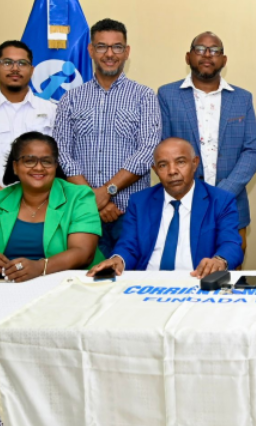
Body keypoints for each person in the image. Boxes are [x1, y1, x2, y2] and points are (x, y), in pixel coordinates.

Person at [54, 19, 161, 258]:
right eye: (102, 46)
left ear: (127, 51)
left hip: (131, 211)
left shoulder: (144, 96)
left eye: (117, 47)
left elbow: (148, 150)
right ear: (91, 50)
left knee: (132, 274)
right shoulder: (70, 99)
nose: (110, 54)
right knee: (85, 276)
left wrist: (107, 191)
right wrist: (92, 198)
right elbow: (61, 153)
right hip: (82, 212)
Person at [158, 32, 256, 253]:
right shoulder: (167, 95)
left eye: (214, 50)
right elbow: (162, 150)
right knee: (185, 263)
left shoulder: (242, 98)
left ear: (224, 60)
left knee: (231, 263)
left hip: (231, 201)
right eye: (200, 49)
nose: (207, 55)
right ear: (188, 57)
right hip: (183, 200)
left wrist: (224, 192)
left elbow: (252, 150)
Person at [86, 138, 242, 277]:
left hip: (197, 281)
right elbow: (128, 246)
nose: (172, 171)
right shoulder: (140, 202)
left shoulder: (220, 200)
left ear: (195, 163)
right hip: (148, 285)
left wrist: (219, 260)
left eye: (180, 162)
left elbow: (231, 244)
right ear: (155, 171)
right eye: (163, 165)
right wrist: (118, 260)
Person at [1, 132, 102, 282]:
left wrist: (40, 267)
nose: (39, 167)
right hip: (7, 286)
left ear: (55, 166)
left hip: (69, 285)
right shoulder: (2, 199)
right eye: (29, 161)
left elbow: (83, 252)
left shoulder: (79, 196)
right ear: (15, 167)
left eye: (47, 161)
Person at [0, 40, 57, 188]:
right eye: (7, 63)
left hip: (40, 197)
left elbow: (58, 158)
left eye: (22, 63)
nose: (15, 69)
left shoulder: (51, 111)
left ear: (32, 70)